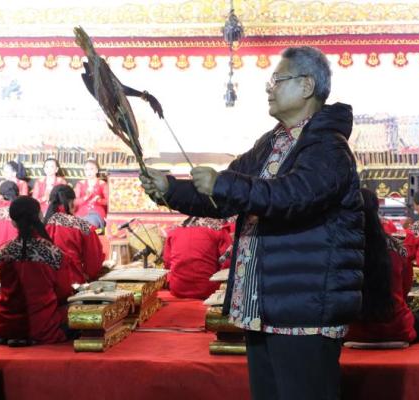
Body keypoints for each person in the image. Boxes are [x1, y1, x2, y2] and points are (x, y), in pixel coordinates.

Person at [140, 46, 363, 400]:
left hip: (304, 310)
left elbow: (294, 196)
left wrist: (224, 184)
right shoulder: (272, 142)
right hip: (265, 304)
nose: (269, 88)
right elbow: (224, 195)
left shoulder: (327, 146)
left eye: (277, 79)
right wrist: (170, 188)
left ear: (306, 86)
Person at [0, 196, 74, 346]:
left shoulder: (2, 252)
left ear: (13, 222)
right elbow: (63, 291)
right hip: (42, 326)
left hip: (2, 324)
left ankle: (15, 334)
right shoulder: (54, 253)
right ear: (40, 216)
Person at [346, 189, 419, 343]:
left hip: (352, 330)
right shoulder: (397, 249)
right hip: (397, 329)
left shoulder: (343, 249)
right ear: (377, 210)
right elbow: (405, 289)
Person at [44, 184, 104, 284]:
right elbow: (94, 257)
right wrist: (89, 275)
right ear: (71, 202)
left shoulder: (43, 224)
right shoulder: (81, 225)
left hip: (47, 282)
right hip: (73, 281)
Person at [163, 217, 232, 300]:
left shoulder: (175, 230)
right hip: (209, 291)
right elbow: (228, 263)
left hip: (177, 289)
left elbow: (167, 263)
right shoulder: (219, 229)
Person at [74, 159, 109, 228]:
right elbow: (75, 202)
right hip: (81, 212)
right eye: (86, 170)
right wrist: (85, 197)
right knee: (75, 226)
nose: (88, 172)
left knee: (88, 226)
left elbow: (109, 202)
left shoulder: (102, 184)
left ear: (96, 170)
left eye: (91, 169)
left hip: (96, 212)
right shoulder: (80, 184)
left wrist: (99, 200)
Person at [405, 189, 419, 268]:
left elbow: (409, 253)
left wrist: (407, 230)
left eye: (415, 205)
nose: (415, 208)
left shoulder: (418, 226)